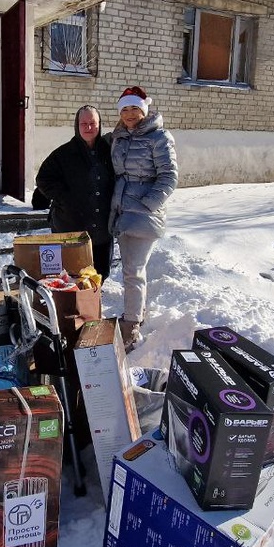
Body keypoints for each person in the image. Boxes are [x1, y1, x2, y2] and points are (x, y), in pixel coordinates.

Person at [109, 85, 178, 350]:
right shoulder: (119, 137)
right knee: (132, 269)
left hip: (143, 215)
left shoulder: (159, 137)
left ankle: (131, 326)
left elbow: (169, 176)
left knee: (132, 272)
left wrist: (148, 204)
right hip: (123, 212)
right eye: (124, 109)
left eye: (134, 108)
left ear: (144, 110)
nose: (129, 114)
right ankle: (136, 314)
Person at [34, 105, 115, 277]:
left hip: (102, 228)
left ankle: (92, 302)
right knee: (73, 275)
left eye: (93, 123)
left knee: (101, 274)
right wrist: (65, 198)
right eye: (83, 123)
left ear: (100, 124)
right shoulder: (63, 154)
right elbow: (43, 178)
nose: (88, 127)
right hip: (71, 226)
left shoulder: (109, 151)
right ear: (76, 126)